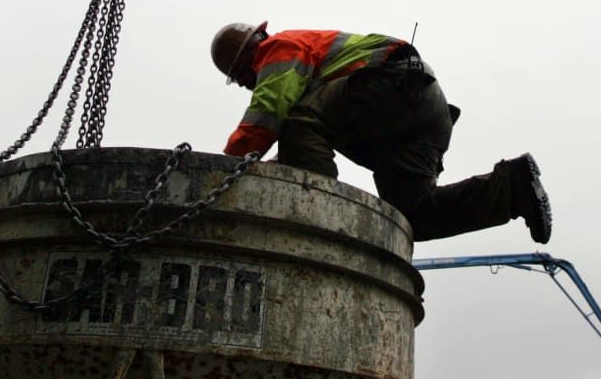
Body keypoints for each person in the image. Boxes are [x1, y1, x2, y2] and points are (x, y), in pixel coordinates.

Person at [211, 21, 552, 243]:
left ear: (243, 63)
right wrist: (278, 166)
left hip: (390, 84)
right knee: (412, 218)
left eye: (242, 79)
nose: (245, 85)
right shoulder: (316, 91)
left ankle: (319, 217)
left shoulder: (278, 50)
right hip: (420, 114)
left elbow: (267, 116)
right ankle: (511, 187)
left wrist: (219, 170)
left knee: (296, 119)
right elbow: (303, 144)